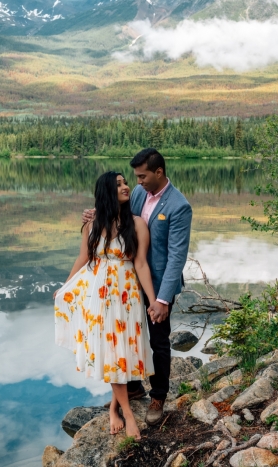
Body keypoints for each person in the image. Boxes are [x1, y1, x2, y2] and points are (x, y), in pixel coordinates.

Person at [83, 148, 192, 426]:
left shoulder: (179, 206)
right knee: (125, 335)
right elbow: (119, 218)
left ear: (159, 172)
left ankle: (158, 396)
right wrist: (96, 214)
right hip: (127, 283)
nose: (137, 182)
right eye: (135, 177)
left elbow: (176, 257)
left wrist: (163, 300)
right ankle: (131, 387)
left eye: (142, 176)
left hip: (158, 283)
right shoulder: (140, 193)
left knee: (157, 341)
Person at [54, 171, 155, 440]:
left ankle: (114, 408)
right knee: (112, 354)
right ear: (107, 193)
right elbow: (84, 258)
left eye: (125, 182)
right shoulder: (93, 225)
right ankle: (127, 414)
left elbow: (141, 264)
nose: (126, 187)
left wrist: (153, 301)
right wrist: (65, 286)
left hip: (127, 299)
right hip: (100, 299)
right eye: (119, 184)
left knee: (123, 354)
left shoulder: (137, 224)